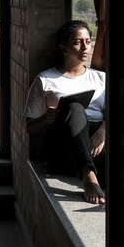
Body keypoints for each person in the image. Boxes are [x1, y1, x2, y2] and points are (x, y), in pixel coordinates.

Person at [24, 19, 106, 205]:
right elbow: (30, 128)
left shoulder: (101, 79)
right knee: (74, 107)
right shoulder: (45, 79)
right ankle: (89, 178)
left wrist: (102, 133)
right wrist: (47, 118)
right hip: (62, 146)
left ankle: (92, 172)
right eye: (77, 42)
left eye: (88, 40)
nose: (85, 47)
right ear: (63, 48)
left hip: (96, 144)